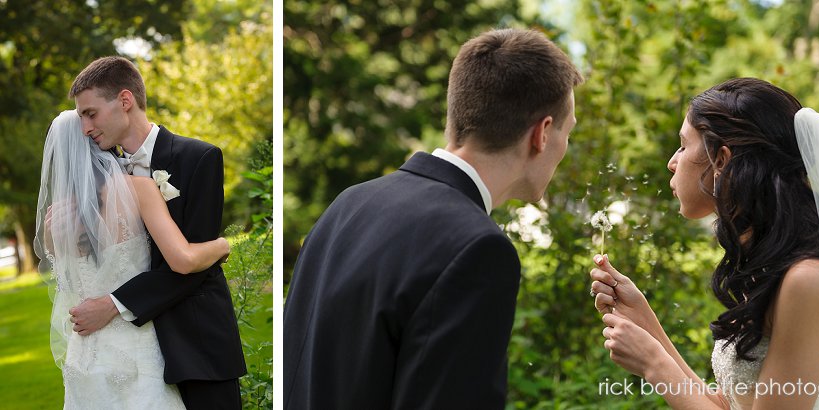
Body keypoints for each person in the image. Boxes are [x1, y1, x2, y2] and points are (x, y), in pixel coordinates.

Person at [283, 28, 583, 408]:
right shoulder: (478, 250)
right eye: (566, 132)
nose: (564, 147)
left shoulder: (350, 203)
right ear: (541, 133)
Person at [589, 78, 819, 409]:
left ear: (721, 160)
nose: (672, 162)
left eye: (683, 145)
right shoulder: (778, 265)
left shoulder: (812, 280)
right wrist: (644, 322)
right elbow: (731, 405)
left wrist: (653, 364)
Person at [56, 56, 246, 408]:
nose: (85, 127)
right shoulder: (93, 186)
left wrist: (114, 304)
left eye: (91, 113)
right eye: (81, 117)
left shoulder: (199, 158)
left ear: (125, 101)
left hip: (196, 347)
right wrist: (223, 245)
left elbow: (191, 267)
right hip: (124, 357)